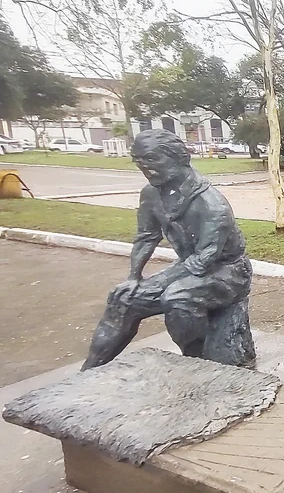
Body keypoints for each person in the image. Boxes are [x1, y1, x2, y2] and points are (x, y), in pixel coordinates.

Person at [82, 129, 253, 370]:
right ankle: (89, 371)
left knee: (177, 298)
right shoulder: (151, 194)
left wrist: (158, 282)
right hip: (188, 267)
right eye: (138, 160)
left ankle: (198, 362)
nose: (144, 167)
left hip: (228, 272)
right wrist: (134, 277)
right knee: (123, 299)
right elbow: (146, 236)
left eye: (151, 158)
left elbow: (203, 260)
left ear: (179, 157)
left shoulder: (212, 205)